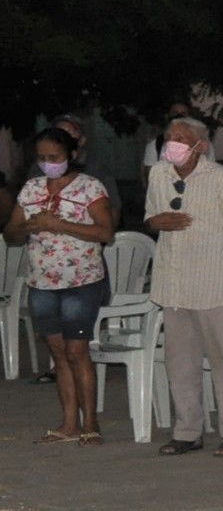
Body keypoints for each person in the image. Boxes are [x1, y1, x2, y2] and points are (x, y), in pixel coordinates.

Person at [145, 117, 223, 457]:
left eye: (181, 138)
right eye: (169, 137)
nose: (172, 143)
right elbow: (151, 216)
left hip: (213, 284)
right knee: (180, 362)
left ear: (201, 146)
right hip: (174, 283)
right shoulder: (158, 174)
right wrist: (156, 222)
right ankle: (187, 431)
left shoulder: (219, 178)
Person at [4, 128, 114, 444]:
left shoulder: (89, 187)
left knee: (77, 350)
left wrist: (58, 225)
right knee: (58, 352)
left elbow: (106, 232)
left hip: (81, 281)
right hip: (42, 281)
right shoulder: (32, 189)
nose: (47, 164)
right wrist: (26, 226)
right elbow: (11, 236)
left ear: (72, 156)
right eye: (42, 158)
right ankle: (69, 423)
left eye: (54, 157)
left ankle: (91, 422)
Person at [52, 113, 122, 229]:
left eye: (69, 135)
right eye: (58, 135)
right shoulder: (41, 168)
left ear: (82, 140)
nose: (62, 140)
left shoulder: (97, 169)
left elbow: (113, 209)